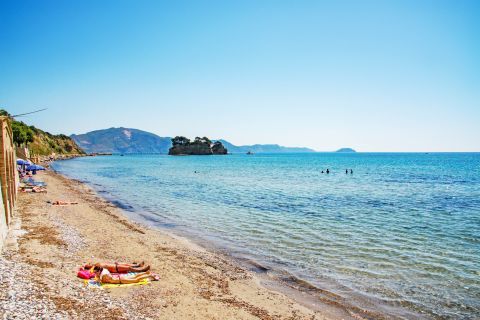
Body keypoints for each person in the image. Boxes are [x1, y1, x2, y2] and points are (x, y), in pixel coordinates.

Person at [85, 261, 150, 273]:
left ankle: (138, 265)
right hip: (114, 269)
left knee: (126, 265)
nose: (90, 263)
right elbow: (90, 272)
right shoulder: (94, 268)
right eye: (89, 264)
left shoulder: (96, 264)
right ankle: (142, 270)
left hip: (114, 265)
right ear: (89, 267)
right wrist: (86, 268)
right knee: (129, 268)